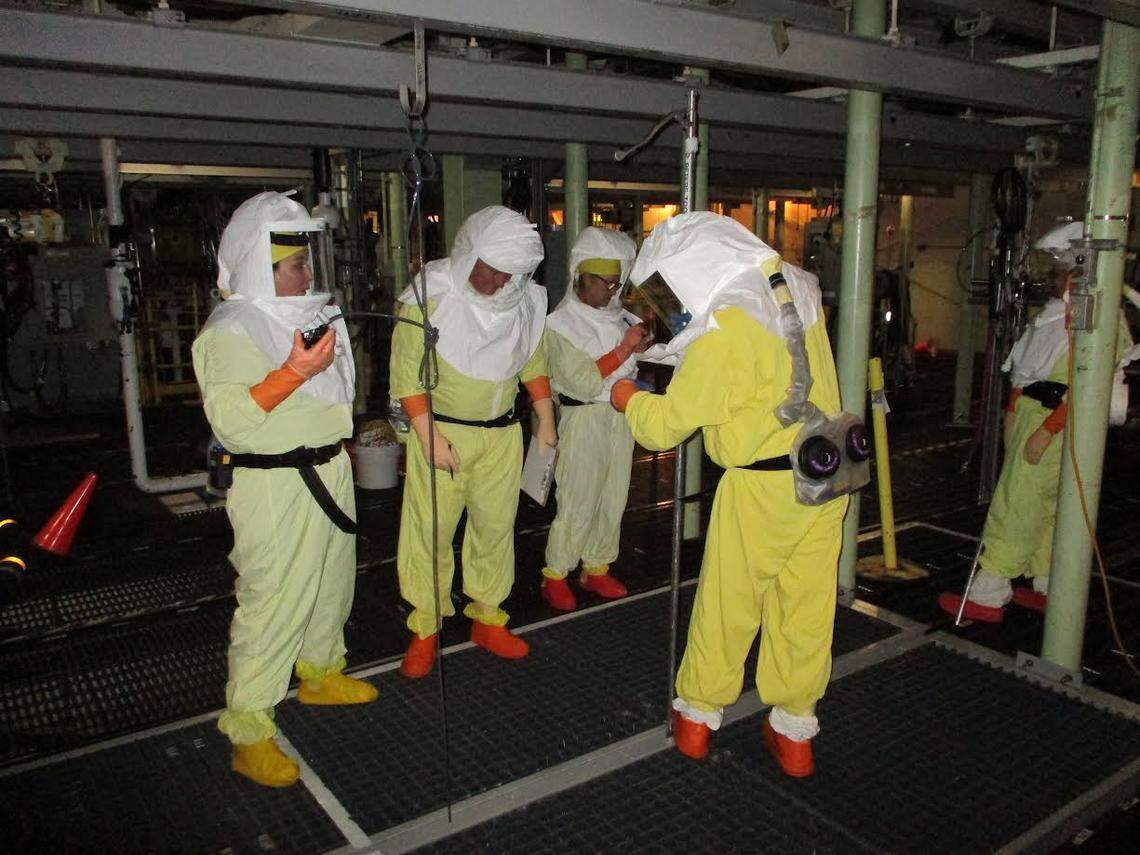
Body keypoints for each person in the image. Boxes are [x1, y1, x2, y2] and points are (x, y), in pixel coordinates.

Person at [610, 212, 850, 778]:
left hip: (762, 489)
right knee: (807, 609)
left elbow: (667, 425)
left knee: (729, 604)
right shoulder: (797, 292)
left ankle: (696, 718)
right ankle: (795, 732)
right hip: (825, 475)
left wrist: (627, 398)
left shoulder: (725, 328)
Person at [192, 191, 377, 789]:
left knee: (330, 583)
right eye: (295, 265)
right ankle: (249, 730)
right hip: (275, 482)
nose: (309, 274)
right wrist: (293, 373)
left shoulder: (307, 315)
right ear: (258, 269)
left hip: (328, 470)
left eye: (306, 262)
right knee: (272, 604)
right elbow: (232, 421)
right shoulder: (231, 329)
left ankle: (320, 672)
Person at [939, 221, 1134, 622]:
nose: (1054, 279)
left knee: (1018, 504)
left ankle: (990, 590)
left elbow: (1087, 386)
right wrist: (1014, 411)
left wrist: (1047, 430)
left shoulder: (1095, 321)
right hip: (1033, 417)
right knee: (1046, 507)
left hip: (1053, 424)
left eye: (1061, 271)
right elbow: (1026, 369)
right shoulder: (1056, 315)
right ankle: (1046, 582)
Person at [391, 206, 555, 678]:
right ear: (469, 257)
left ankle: (487, 615)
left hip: (502, 436)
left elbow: (533, 361)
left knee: (495, 527)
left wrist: (546, 420)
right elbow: (406, 374)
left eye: (512, 274)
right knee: (431, 531)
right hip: (442, 431)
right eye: (494, 271)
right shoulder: (430, 297)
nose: (503, 282)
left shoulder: (523, 299)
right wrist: (427, 436)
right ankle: (426, 624)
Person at [539, 227, 648, 611]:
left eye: (617, 283)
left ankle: (597, 565)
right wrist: (624, 350)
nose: (612, 292)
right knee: (578, 497)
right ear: (581, 278)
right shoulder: (560, 324)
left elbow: (627, 365)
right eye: (605, 283)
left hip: (620, 416)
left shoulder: (620, 318)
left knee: (613, 494)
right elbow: (582, 381)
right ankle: (556, 572)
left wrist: (643, 352)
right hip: (584, 418)